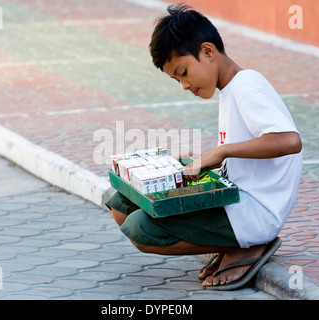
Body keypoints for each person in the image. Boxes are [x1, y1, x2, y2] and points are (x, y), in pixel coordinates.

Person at [106, 4, 302, 289]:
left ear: (208, 52)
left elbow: (289, 140)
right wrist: (204, 163)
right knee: (122, 203)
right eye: (177, 79)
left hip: (252, 215)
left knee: (139, 229)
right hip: (235, 200)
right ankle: (225, 243)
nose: (184, 85)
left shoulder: (247, 86)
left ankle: (243, 248)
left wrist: (219, 152)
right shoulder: (232, 88)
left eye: (183, 72)